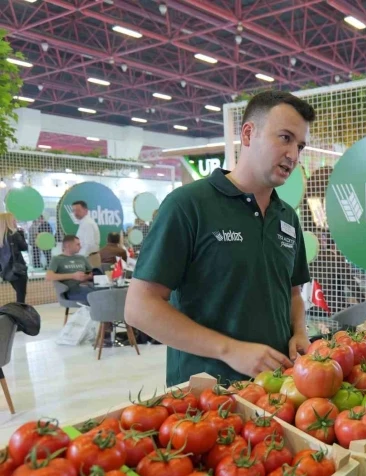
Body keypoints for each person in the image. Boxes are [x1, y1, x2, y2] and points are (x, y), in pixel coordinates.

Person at [126, 90, 315, 386]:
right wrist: (229, 350)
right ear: (249, 134)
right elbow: (140, 308)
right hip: (204, 396)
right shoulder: (188, 205)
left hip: (276, 388)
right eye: (285, 138)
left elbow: (292, 294)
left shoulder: (287, 217)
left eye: (300, 145)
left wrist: (299, 332)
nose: (293, 155)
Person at [46, 235, 97, 303]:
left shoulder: (82, 258)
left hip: (87, 286)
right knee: (97, 296)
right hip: (71, 290)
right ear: (68, 245)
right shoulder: (57, 259)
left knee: (105, 292)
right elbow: (49, 277)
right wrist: (73, 276)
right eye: (77, 244)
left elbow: (93, 272)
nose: (80, 247)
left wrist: (87, 277)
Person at [0, 213, 28, 304]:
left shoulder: (1, 237)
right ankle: (20, 314)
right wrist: (21, 233)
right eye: (14, 220)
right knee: (21, 295)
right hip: (18, 269)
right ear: (9, 221)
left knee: (19, 293)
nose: (15, 221)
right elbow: (24, 247)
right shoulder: (15, 234)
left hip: (6, 270)